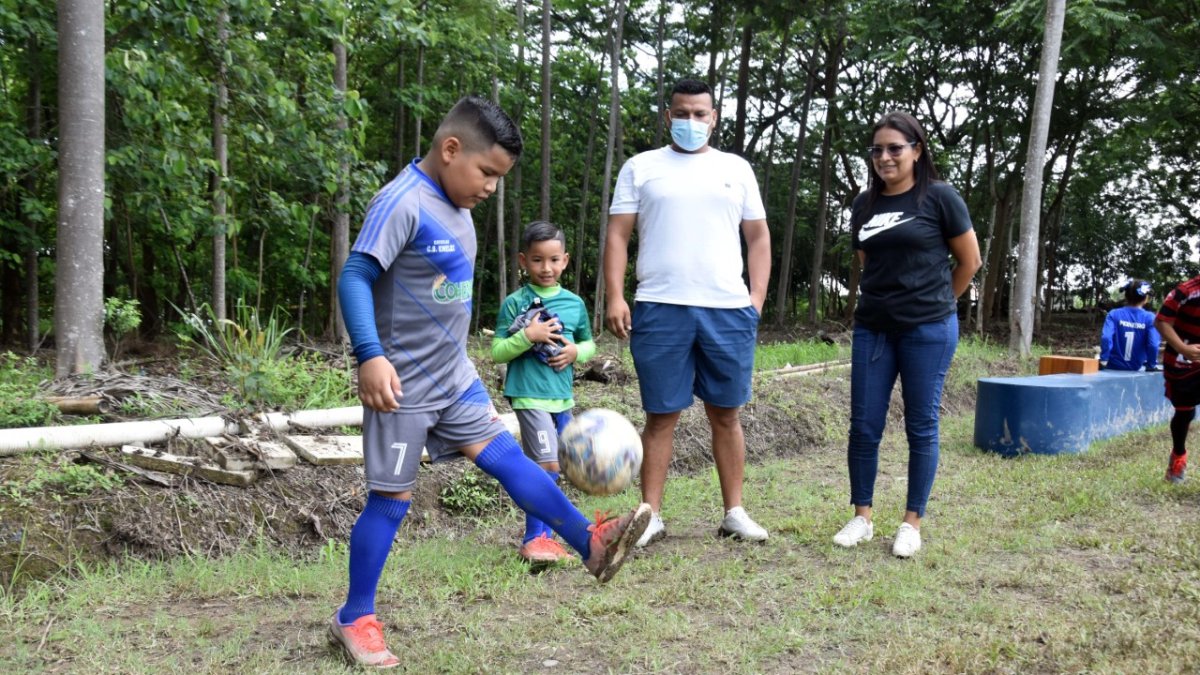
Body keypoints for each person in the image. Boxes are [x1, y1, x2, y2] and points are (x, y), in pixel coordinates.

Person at [331, 96, 650, 668]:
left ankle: (590, 543)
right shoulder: (402, 202)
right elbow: (355, 276)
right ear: (451, 149)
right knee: (391, 502)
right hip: (401, 385)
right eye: (487, 173)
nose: (491, 188)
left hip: (454, 377)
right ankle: (355, 617)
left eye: (499, 179)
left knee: (511, 460)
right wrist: (370, 356)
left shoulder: (458, 202)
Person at [604, 78, 771, 547]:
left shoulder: (736, 169)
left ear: (714, 117)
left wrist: (755, 300)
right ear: (668, 115)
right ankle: (650, 515)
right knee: (661, 415)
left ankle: (734, 512)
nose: (691, 122)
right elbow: (618, 235)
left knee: (726, 413)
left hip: (727, 310)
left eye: (700, 114)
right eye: (682, 113)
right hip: (659, 306)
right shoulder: (641, 168)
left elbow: (758, 238)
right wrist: (615, 296)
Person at [831, 111, 982, 558]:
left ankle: (911, 522)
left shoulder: (939, 198)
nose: (885, 157)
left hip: (928, 330)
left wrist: (936, 304)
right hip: (874, 329)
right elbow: (866, 261)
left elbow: (969, 262)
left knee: (921, 426)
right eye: (877, 149)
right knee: (863, 426)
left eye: (895, 148)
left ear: (917, 150)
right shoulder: (863, 204)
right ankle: (862, 517)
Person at [492, 220, 596, 564]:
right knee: (546, 465)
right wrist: (528, 336)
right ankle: (536, 538)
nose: (546, 268)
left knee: (566, 464)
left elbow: (588, 343)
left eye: (553, 260)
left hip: (562, 397)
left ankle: (551, 535)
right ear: (523, 261)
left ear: (565, 260)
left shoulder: (574, 303)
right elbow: (497, 352)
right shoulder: (514, 303)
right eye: (537, 260)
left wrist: (576, 353)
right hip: (527, 394)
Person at [1154, 274, 1200, 484]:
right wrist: (1183, 348)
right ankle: (1178, 455)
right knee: (1184, 414)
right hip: (1183, 363)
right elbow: (1161, 321)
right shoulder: (1187, 290)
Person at [1099, 280, 1161, 371]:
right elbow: (1153, 345)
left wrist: (1104, 359)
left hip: (1111, 368)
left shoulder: (1113, 314)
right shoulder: (1150, 318)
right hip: (1135, 369)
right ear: (1146, 298)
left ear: (1126, 296)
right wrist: (1151, 365)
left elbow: (1106, 338)